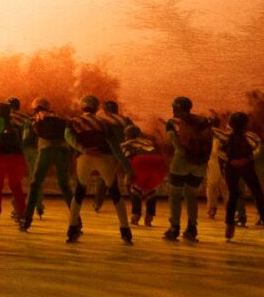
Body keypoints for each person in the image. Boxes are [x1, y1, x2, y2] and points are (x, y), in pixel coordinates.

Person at [69, 96, 134, 243]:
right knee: (115, 192)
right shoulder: (103, 123)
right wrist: (128, 168)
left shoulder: (74, 121)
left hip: (84, 158)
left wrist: (83, 149)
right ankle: (125, 230)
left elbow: (68, 136)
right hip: (104, 158)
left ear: (82, 107)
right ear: (97, 108)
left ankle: (72, 229)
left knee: (79, 192)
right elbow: (114, 146)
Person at [216, 111, 264, 242]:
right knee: (258, 195)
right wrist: (247, 159)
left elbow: (219, 151)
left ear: (230, 123)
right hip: (247, 166)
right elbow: (258, 149)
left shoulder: (225, 136)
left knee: (233, 196)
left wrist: (231, 161)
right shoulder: (252, 136)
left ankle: (229, 227)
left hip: (232, 167)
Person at [21, 100, 80, 239]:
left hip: (45, 151)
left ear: (35, 107)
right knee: (64, 186)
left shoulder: (33, 119)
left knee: (35, 184)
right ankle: (76, 222)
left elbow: (26, 140)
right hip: (62, 151)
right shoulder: (60, 118)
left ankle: (26, 220)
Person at [161, 97, 214, 242]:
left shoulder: (172, 122)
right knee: (191, 195)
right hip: (200, 164)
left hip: (181, 161)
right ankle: (192, 228)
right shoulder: (203, 121)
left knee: (175, 195)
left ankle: (174, 228)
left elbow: (176, 144)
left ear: (175, 108)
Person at [122, 134, 168, 228]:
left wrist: (129, 175)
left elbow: (126, 159)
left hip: (140, 161)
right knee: (150, 189)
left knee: (135, 190)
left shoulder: (127, 144)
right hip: (158, 162)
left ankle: (136, 215)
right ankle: (149, 217)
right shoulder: (147, 142)